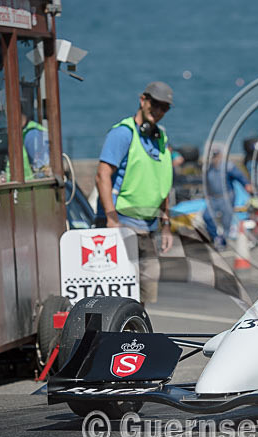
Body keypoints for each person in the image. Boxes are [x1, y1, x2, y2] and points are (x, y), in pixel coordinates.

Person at [95, 81, 175, 304]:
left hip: (148, 227)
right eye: (155, 104)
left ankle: (136, 337)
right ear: (143, 100)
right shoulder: (123, 134)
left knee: (144, 298)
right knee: (118, 297)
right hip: (122, 225)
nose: (159, 111)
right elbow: (102, 175)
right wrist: (111, 219)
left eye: (165, 108)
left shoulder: (161, 139)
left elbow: (163, 185)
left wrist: (166, 225)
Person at [202, 144, 252, 249]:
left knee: (226, 221)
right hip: (213, 198)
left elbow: (239, 177)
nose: (215, 157)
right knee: (207, 216)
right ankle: (215, 237)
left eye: (217, 155)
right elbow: (206, 183)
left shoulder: (228, 167)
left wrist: (247, 185)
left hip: (226, 197)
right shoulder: (208, 168)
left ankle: (223, 242)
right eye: (213, 155)